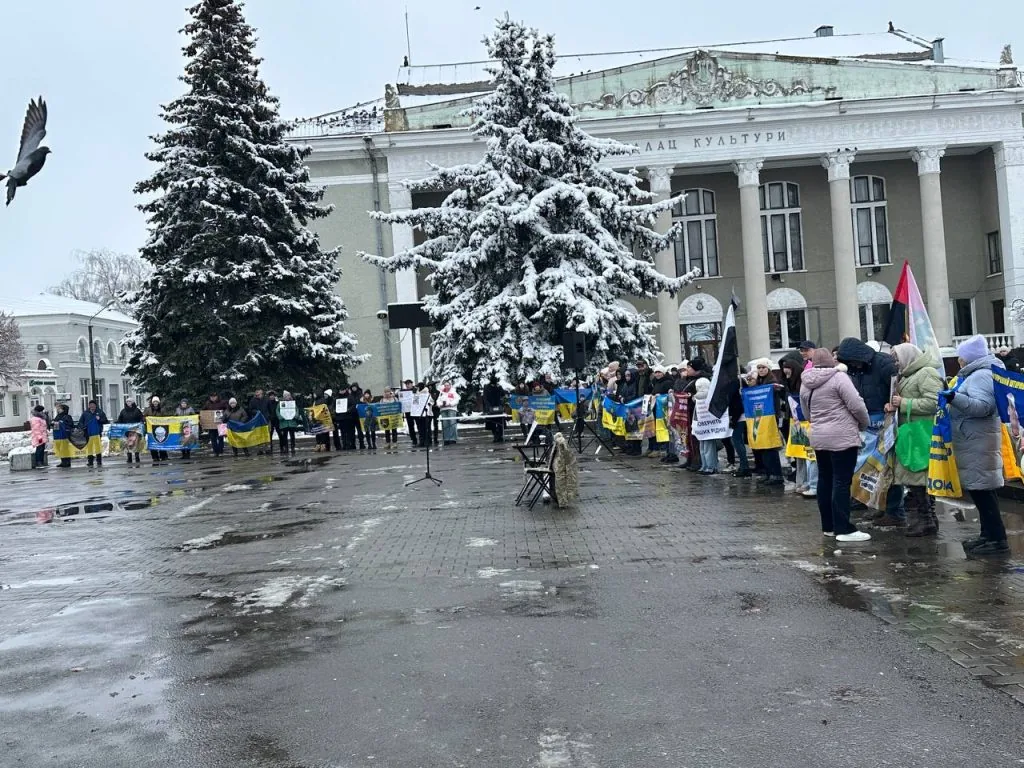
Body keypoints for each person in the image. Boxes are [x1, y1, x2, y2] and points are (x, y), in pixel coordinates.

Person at [947, 335, 1010, 556]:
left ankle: (998, 540)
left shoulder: (982, 376)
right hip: (973, 440)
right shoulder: (975, 375)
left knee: (984, 493)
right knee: (980, 490)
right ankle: (987, 535)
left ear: (969, 357)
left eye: (961, 356)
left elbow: (983, 407)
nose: (959, 360)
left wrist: (954, 398)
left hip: (979, 441)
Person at [801, 348, 871, 542]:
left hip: (819, 437)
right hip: (842, 437)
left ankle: (829, 526)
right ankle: (844, 528)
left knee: (825, 479)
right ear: (831, 362)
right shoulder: (839, 378)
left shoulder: (806, 383)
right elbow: (856, 405)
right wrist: (864, 423)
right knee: (841, 481)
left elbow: (806, 413)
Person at [836, 337, 904, 524]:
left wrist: (892, 403)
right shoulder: (856, 369)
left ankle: (894, 511)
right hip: (870, 421)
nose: (851, 365)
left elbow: (897, 388)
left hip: (887, 419)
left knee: (887, 468)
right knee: (871, 469)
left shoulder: (883, 363)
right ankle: (878, 506)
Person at [885, 343, 943, 536]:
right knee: (915, 480)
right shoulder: (909, 375)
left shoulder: (926, 373)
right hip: (911, 434)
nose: (894, 362)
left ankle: (925, 521)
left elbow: (936, 402)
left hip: (922, 434)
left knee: (920, 479)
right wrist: (894, 406)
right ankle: (926, 519)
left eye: (896, 358)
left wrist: (904, 403)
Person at [780, 352, 817, 497]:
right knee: (799, 455)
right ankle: (800, 482)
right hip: (796, 422)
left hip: (806, 422)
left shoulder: (803, 383)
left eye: (787, 367)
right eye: (783, 367)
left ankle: (809, 483)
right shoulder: (788, 383)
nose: (784, 370)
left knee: (808, 455)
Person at [744, 359, 785, 486]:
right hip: (759, 416)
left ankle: (776, 474)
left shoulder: (772, 382)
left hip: (770, 416)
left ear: (768, 369)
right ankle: (768, 473)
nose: (761, 370)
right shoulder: (760, 381)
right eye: (759, 368)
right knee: (762, 445)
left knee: (770, 446)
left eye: (763, 368)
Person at [693, 378, 719, 475]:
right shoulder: (711, 394)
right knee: (707, 447)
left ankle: (707, 466)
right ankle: (709, 466)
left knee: (704, 447)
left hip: (702, 423)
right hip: (707, 424)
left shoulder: (700, 395)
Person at [78, 399, 109, 468]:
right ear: (89, 406)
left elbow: (105, 421)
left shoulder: (100, 412)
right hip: (88, 434)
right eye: (90, 405)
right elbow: (80, 422)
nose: (92, 406)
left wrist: (99, 419)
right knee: (89, 448)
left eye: (93, 405)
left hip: (97, 433)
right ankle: (90, 461)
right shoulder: (85, 413)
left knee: (98, 447)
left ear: (96, 406)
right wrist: (82, 427)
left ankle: (99, 461)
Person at [116, 398, 144, 465]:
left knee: (136, 444)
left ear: (133, 402)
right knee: (128, 444)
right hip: (127, 431)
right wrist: (116, 424)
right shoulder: (123, 411)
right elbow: (120, 420)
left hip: (136, 431)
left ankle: (137, 457)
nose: (128, 402)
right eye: (127, 401)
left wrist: (141, 423)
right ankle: (129, 458)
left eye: (130, 401)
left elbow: (141, 418)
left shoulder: (137, 410)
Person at [202, 392, 228, 456]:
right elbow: (203, 411)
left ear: (217, 396)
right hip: (211, 425)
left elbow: (227, 410)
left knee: (220, 438)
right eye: (211, 397)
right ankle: (215, 452)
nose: (213, 398)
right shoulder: (207, 403)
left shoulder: (222, 402)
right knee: (213, 438)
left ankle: (221, 451)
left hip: (220, 424)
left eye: (214, 396)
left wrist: (223, 415)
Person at [482, 375, 505, 443]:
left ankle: (500, 436)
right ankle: (495, 435)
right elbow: (485, 398)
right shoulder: (487, 387)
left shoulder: (498, 387)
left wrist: (500, 387)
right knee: (492, 423)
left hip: (498, 407)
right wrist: (488, 407)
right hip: (491, 408)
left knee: (500, 422)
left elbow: (503, 394)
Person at [248, 388, 271, 455]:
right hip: (257, 420)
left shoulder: (267, 400)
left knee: (267, 434)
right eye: (256, 393)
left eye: (259, 393)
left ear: (262, 393)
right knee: (258, 435)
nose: (257, 394)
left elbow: (270, 409)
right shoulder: (253, 401)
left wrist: (269, 416)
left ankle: (268, 449)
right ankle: (260, 449)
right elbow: (250, 410)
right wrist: (256, 412)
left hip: (266, 420)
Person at [54, 404, 75, 468]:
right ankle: (63, 461)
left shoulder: (67, 416)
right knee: (60, 448)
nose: (58, 409)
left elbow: (70, 425)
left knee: (65, 448)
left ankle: (67, 461)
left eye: (59, 408)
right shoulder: (58, 416)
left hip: (64, 435)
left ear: (63, 409)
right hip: (58, 435)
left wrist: (61, 423)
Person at [438, 380, 459, 445]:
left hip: (451, 409)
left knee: (452, 423)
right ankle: (446, 439)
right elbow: (438, 400)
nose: (446, 387)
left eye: (448, 385)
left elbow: (457, 399)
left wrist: (450, 404)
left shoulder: (453, 392)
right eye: (445, 385)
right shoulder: (441, 393)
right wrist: (440, 404)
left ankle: (452, 439)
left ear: (450, 385)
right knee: (445, 424)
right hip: (443, 409)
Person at [29, 404, 47, 469]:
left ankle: (41, 461)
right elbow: (36, 429)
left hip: (43, 436)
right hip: (39, 437)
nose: (43, 412)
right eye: (41, 411)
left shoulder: (41, 418)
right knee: (39, 449)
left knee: (42, 449)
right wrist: (39, 437)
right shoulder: (35, 419)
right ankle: (38, 462)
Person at [350, 381, 366, 449]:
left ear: (357, 387)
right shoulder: (350, 396)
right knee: (352, 431)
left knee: (360, 431)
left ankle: (362, 444)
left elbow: (363, 404)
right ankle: (353, 444)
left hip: (359, 415)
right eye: (352, 387)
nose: (353, 388)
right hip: (352, 415)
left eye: (355, 387)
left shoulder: (361, 395)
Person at [401, 379, 418, 445]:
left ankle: (422, 438)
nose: (407, 385)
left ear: (411, 384)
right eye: (406, 384)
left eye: (408, 384)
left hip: (415, 410)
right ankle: (413, 439)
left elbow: (417, 398)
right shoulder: (404, 391)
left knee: (418, 424)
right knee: (410, 425)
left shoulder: (415, 390)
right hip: (408, 410)